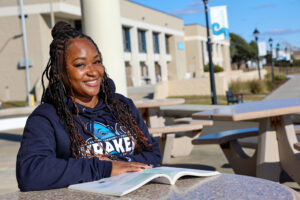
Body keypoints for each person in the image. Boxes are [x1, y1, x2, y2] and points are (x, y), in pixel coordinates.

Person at [16, 21, 161, 191]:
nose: (93, 71)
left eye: (97, 62)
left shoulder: (122, 105)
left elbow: (153, 152)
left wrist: (122, 165)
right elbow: (31, 172)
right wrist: (103, 168)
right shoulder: (46, 117)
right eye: (80, 65)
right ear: (58, 71)